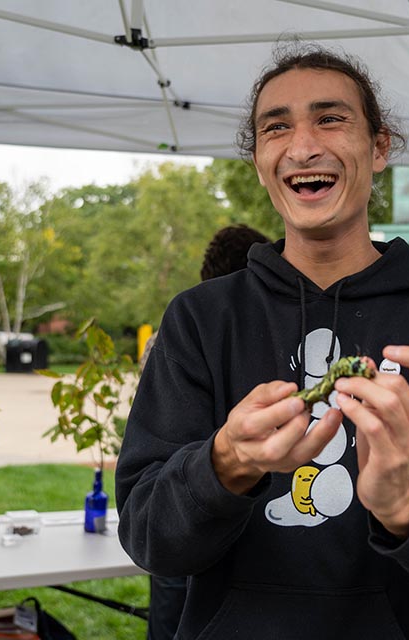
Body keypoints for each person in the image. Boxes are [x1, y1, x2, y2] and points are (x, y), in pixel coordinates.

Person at [116, 43, 409, 640]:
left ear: (380, 146)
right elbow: (148, 536)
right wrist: (225, 462)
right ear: (259, 160)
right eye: (275, 127)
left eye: (331, 119)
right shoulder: (200, 320)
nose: (303, 145)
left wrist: (402, 500)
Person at [142, 223, 270, 640]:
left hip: (190, 507)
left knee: (170, 613)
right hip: (208, 508)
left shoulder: (167, 336)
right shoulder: (192, 328)